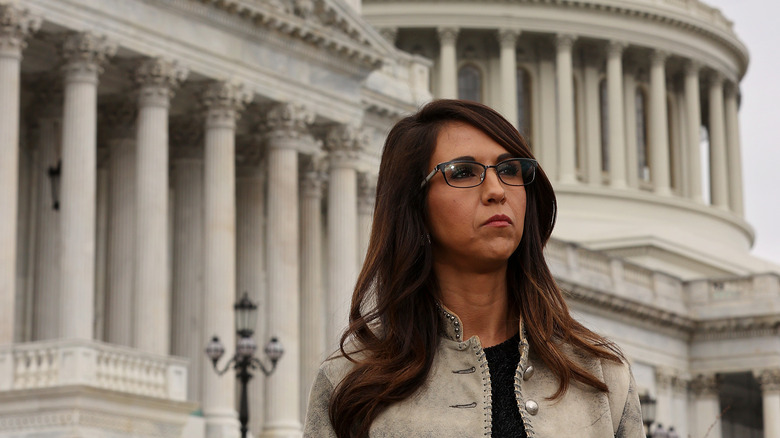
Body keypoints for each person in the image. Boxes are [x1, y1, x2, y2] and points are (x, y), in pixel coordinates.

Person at [303, 99, 643, 437]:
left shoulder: (601, 377)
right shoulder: (349, 386)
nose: (497, 190)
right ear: (414, 206)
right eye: (463, 172)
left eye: (510, 169)